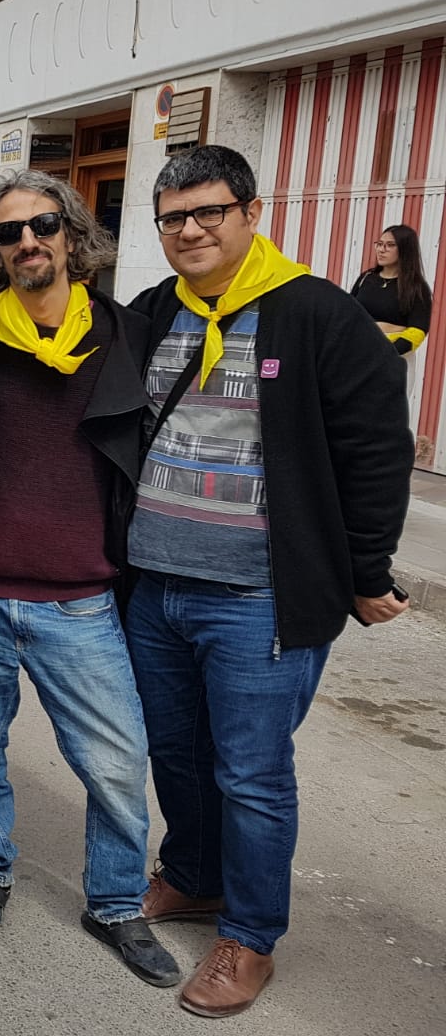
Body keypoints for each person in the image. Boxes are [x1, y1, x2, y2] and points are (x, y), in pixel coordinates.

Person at [125, 146, 413, 1018]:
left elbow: (376, 452)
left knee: (250, 772)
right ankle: (194, 874)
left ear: (251, 210)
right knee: (175, 753)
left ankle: (249, 936)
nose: (191, 229)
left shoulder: (317, 314)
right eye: (174, 216)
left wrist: (365, 571)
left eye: (208, 210)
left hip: (260, 598)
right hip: (155, 586)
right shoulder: (150, 313)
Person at [0, 169, 176, 985]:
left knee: (114, 762)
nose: (27, 242)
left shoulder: (127, 333)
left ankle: (113, 903)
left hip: (83, 599)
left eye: (42, 225)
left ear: (72, 233)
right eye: (8, 233)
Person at [351, 223, 431, 367]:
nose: (381, 250)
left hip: (393, 359)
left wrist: (386, 351)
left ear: (405, 249)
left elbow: (418, 331)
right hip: (358, 353)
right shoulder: (366, 278)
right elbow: (348, 313)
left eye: (390, 245)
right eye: (379, 244)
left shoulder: (416, 287)